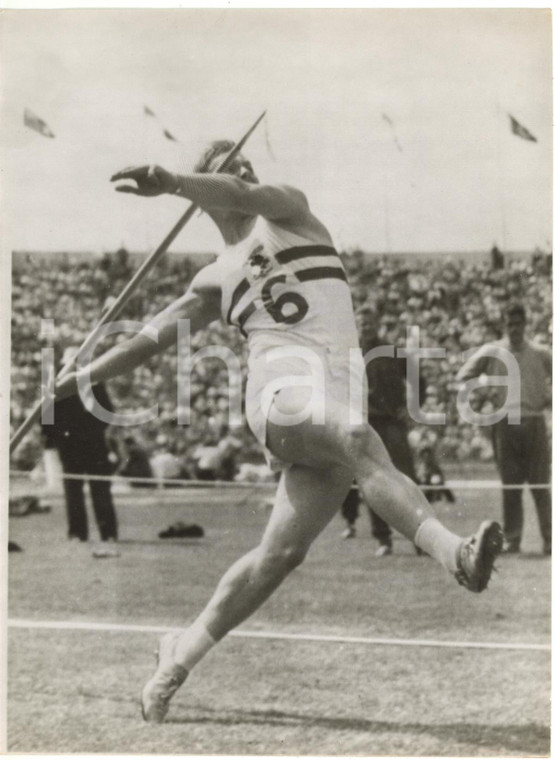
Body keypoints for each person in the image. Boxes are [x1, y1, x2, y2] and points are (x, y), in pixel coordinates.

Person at [55, 142, 503, 723]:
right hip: (281, 391)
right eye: (231, 163)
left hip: (339, 391)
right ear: (205, 187)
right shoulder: (214, 276)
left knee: (280, 556)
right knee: (358, 439)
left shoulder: (291, 211)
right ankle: (457, 556)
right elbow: (150, 338)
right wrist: (81, 378)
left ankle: (175, 657)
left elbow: (242, 195)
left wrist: (171, 181)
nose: (246, 169)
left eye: (247, 162)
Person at [456, 302, 551, 555]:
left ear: (525, 325)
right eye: (510, 324)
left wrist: (548, 395)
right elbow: (463, 375)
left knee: (541, 485)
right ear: (504, 326)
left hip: (533, 422)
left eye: (518, 324)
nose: (514, 329)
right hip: (505, 423)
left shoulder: (541, 352)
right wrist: (487, 391)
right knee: (510, 486)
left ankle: (550, 539)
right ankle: (512, 539)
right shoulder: (493, 351)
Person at [340, 306, 424, 557]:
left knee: (407, 480)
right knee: (372, 482)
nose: (365, 328)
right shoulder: (351, 356)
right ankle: (384, 539)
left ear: (377, 324)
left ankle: (422, 538)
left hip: (393, 424)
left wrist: (410, 408)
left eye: (369, 323)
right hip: (366, 425)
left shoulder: (393, 351)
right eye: (361, 324)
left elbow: (418, 379)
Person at [42, 346, 120, 558]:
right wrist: (57, 438)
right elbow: (45, 417)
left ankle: (108, 532)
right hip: (70, 446)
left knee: (101, 488)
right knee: (73, 491)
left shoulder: (94, 382)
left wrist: (93, 431)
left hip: (94, 444)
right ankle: (77, 532)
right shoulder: (55, 385)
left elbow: (108, 412)